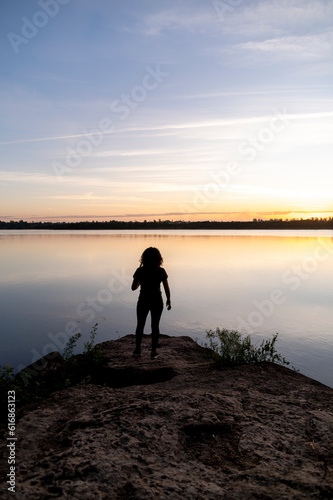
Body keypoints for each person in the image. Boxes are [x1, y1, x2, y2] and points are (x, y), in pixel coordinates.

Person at [131, 247, 171, 359]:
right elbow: (166, 288)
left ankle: (137, 350)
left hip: (143, 299)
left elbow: (133, 288)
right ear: (159, 258)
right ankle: (153, 352)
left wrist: (140, 282)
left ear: (144, 258)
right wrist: (168, 300)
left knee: (140, 325)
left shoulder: (140, 271)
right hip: (157, 300)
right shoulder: (161, 271)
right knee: (155, 326)